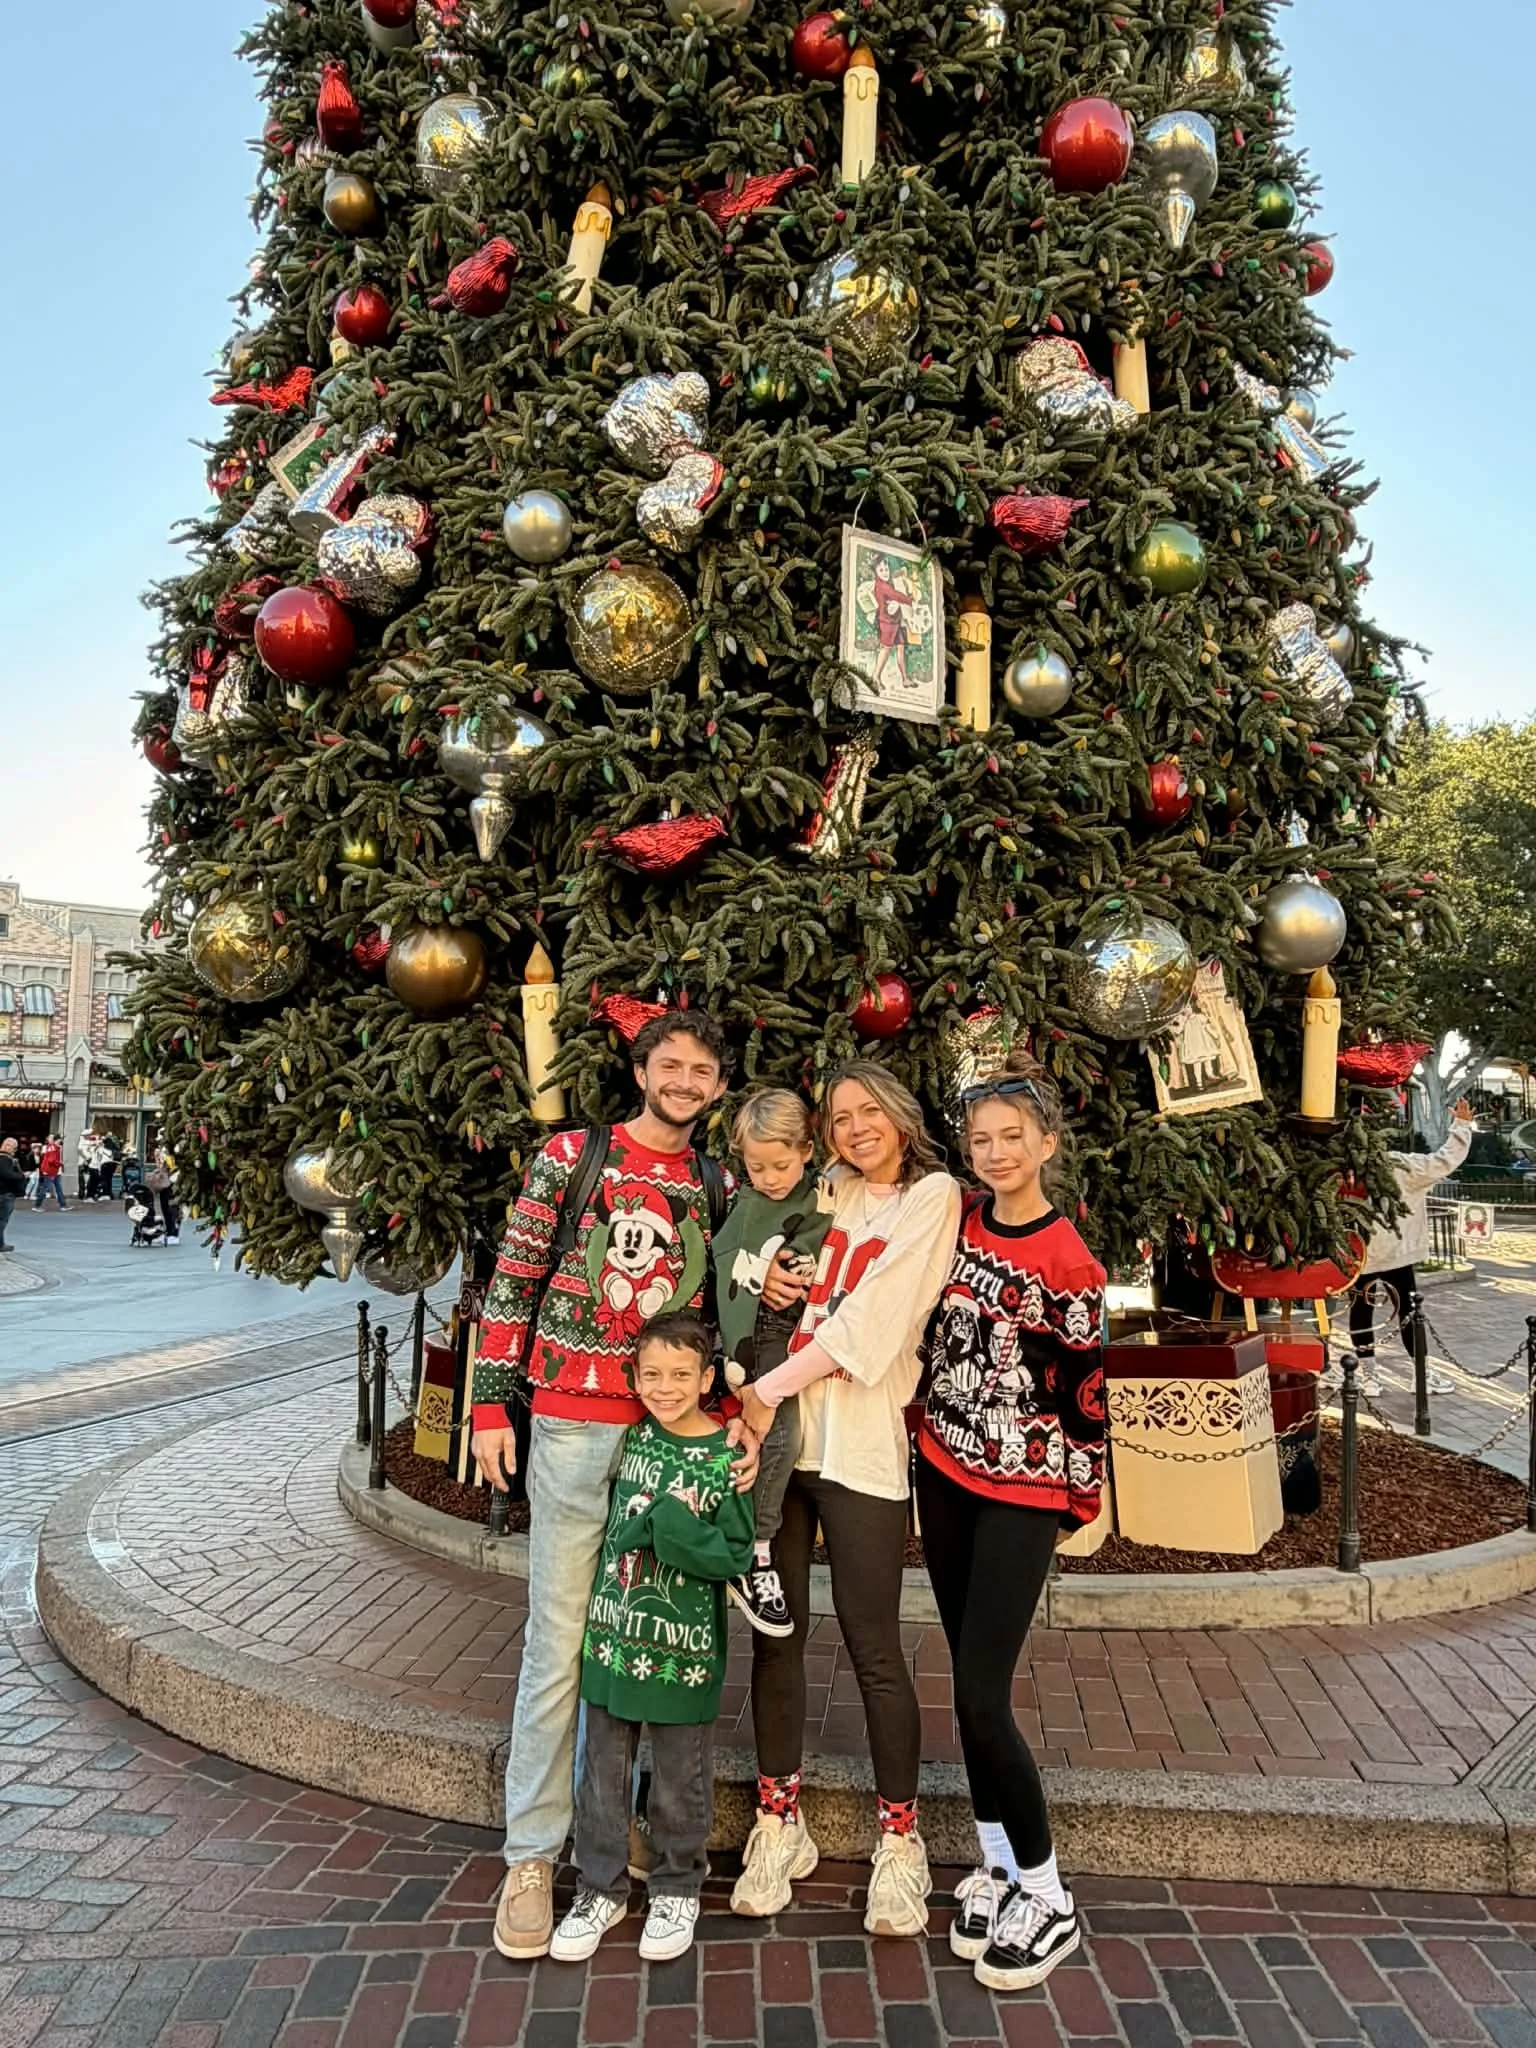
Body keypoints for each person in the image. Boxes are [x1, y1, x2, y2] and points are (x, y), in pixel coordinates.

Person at [469, 1010, 759, 1963]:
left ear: (718, 1087)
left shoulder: (717, 1183)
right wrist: (486, 1406)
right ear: (642, 1070)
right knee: (558, 1644)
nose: (684, 1080)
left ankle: (619, 1828)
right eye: (669, 1064)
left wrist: (734, 1423)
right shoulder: (572, 1156)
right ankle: (530, 1855)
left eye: (702, 1070)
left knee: (640, 1637)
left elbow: (732, 1304)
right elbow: (512, 1279)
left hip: (669, 1438)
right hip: (573, 1425)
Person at [735, 1061, 962, 1938]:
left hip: (860, 1447)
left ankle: (897, 1842)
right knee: (775, 1635)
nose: (855, 1128)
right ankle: (777, 1822)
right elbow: (765, 1265)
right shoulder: (822, 1188)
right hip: (784, 1446)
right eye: (838, 1117)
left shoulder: (930, 1196)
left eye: (870, 1111)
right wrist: (773, 1282)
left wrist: (766, 1388)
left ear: (901, 1118)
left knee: (874, 1647)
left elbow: (878, 1322)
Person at [916, 1055, 1105, 1993]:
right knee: (963, 1681)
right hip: (944, 1468)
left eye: (1011, 1138)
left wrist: (1078, 1496)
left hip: (1022, 1490)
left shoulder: (1067, 1261)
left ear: (1046, 1145)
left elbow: (1081, 1394)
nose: (994, 1153)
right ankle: (995, 1865)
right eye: (980, 1138)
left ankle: (1050, 1890)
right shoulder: (956, 1220)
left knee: (985, 1694)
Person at [550, 1311, 755, 1966]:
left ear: (704, 1380)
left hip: (681, 1653)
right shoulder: (630, 1439)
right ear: (634, 1376)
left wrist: (667, 1521)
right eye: (652, 1374)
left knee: (677, 1778)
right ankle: (599, 1886)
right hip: (613, 1641)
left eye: (680, 1375)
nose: (664, 1387)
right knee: (602, 1775)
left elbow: (734, 1552)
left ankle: (675, 1885)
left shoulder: (726, 1457)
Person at [712, 1090, 833, 1638]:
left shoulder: (825, 1195)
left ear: (807, 1149)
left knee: (783, 1437)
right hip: (762, 1335)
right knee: (777, 1436)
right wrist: (759, 1275)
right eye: (756, 1167)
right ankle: (753, 1551)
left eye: (781, 1165)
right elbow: (724, 1258)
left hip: (803, 1332)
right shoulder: (748, 1204)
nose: (769, 1178)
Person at [1347, 1099, 1475, 1398]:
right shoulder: (1403, 1165)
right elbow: (1445, 1160)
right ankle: (1422, 1373)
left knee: (1361, 1311)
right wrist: (1462, 1126)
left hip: (1358, 1254)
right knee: (1408, 1312)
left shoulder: (1345, 1169)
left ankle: (1367, 1376)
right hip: (1397, 1253)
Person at [142, 1145, 180, 1244]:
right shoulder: (165, 1150)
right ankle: (170, 1232)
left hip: (171, 1182)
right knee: (166, 1207)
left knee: (170, 1208)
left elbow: (168, 1166)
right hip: (167, 1181)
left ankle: (173, 1233)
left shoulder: (173, 1151)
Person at [0, 1137, 26, 1251]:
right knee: (2, 1220)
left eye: (9, 1145)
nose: (7, 1146)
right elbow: (8, 1174)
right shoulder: (5, 1159)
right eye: (6, 1144)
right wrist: (21, 1176)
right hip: (5, 1194)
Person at [33, 1136, 67, 1211]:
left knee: (58, 1188)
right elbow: (51, 1160)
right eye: (59, 1141)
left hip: (54, 1171)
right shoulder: (53, 1148)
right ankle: (37, 1206)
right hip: (50, 1171)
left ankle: (63, 1205)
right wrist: (60, 1164)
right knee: (46, 1188)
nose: (60, 1142)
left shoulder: (53, 1147)